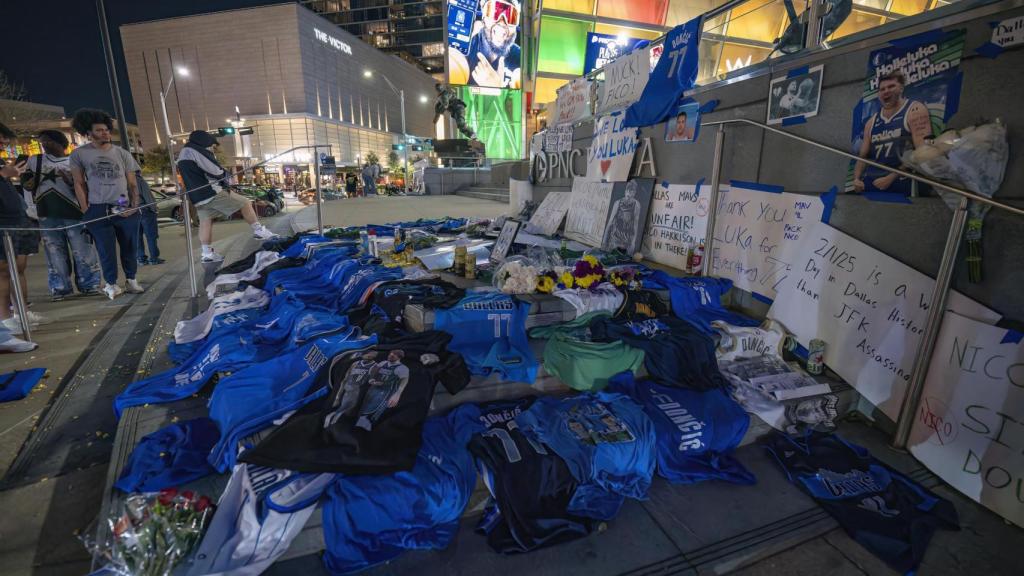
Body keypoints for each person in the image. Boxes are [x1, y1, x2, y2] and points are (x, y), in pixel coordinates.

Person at [69, 109, 145, 300]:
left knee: (129, 244)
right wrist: (86, 209)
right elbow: (79, 183)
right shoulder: (79, 155)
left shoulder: (122, 153)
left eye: (106, 129)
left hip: (121, 203)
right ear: (88, 133)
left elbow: (133, 183)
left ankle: (131, 279)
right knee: (105, 248)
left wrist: (134, 205)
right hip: (98, 206)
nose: (105, 133)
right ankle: (111, 283)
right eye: (100, 130)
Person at [23, 130, 101, 300]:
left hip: (75, 212)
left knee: (83, 250)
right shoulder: (35, 160)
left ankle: (89, 284)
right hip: (47, 213)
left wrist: (71, 181)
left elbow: (87, 186)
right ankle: (60, 287)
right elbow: (26, 185)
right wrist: (31, 207)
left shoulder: (75, 160)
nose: (44, 146)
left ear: (60, 142)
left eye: (48, 142)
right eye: (42, 142)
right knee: (54, 252)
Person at [176, 130, 276, 263]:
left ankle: (207, 254)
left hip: (197, 197)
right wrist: (225, 174)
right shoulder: (195, 151)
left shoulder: (183, 153)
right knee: (245, 202)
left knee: (206, 222)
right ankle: (258, 231)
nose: (211, 147)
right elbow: (215, 171)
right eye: (210, 145)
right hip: (211, 192)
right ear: (203, 141)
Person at [0, 122, 45, 346]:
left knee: (19, 268)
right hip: (3, 224)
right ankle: (5, 320)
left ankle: (21, 313)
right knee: (3, 272)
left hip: (18, 219)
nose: (3, 144)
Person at [853, 72, 930, 196]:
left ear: (901, 88)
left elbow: (922, 152)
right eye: (882, 89)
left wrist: (891, 177)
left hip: (904, 181)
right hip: (873, 182)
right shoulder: (871, 122)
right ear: (878, 94)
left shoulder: (915, 110)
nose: (886, 91)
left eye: (891, 86)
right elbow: (862, 157)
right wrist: (856, 179)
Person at [450, 0, 522, 88]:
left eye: (511, 16)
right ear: (484, 17)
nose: (502, 23)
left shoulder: (521, 60)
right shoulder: (462, 47)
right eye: (494, 11)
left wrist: (497, 89)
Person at [601, 179, 643, 254]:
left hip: (627, 240)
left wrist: (633, 242)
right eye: (627, 191)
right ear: (625, 191)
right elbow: (610, 222)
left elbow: (635, 225)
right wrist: (604, 242)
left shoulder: (637, 205)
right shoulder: (618, 203)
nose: (629, 194)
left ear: (634, 193)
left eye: (631, 192)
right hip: (615, 238)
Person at [135, 170, 163, 265]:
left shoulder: (124, 180)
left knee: (137, 237)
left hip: (133, 212)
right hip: (145, 211)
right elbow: (148, 196)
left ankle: (141, 258)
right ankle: (154, 258)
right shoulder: (139, 180)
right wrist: (154, 209)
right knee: (151, 236)